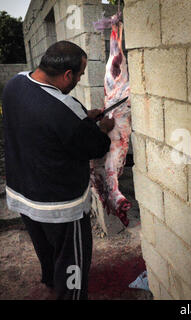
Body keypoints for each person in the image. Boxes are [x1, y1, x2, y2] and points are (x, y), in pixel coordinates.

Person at [1, 41, 114, 300]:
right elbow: (96, 146)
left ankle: (52, 283)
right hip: (60, 207)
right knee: (71, 262)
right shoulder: (65, 112)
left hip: (22, 195)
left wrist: (85, 116)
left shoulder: (15, 84)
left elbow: (42, 118)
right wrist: (102, 127)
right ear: (67, 75)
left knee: (48, 252)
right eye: (80, 75)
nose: (80, 79)